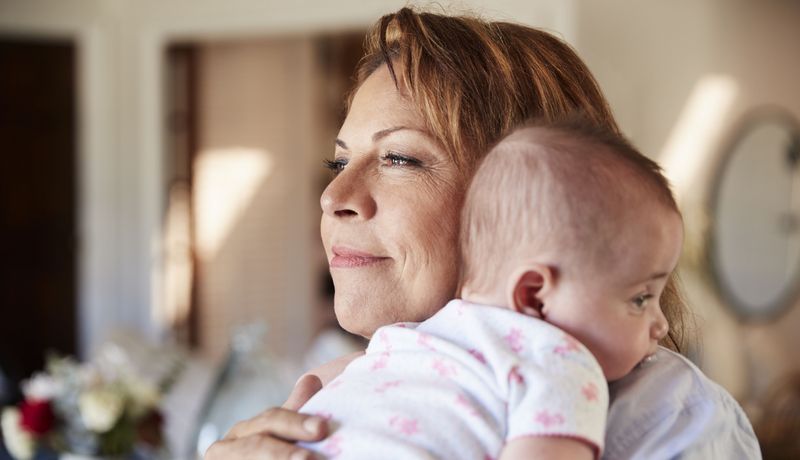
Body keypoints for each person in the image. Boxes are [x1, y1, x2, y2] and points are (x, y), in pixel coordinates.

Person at [205, 7, 760, 460]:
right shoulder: (338, 389)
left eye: (399, 158)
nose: (334, 198)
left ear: (536, 202)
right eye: (338, 164)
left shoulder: (670, 415)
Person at [295, 119, 680, 459]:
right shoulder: (559, 362)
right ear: (533, 295)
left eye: (398, 157)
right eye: (640, 299)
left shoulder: (405, 343)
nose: (659, 324)